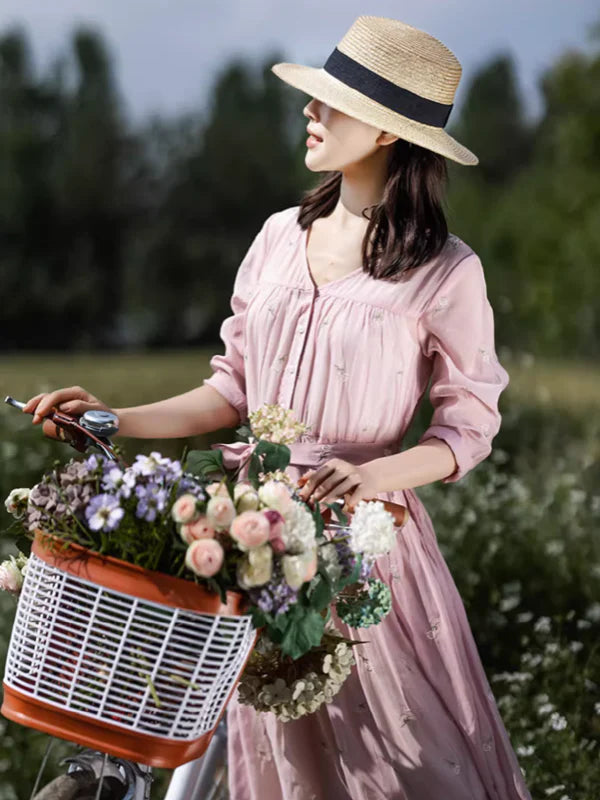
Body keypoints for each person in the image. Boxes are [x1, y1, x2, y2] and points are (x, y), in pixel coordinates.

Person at [23, 15, 532, 800]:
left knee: (402, 764)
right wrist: (109, 419)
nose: (311, 112)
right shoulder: (274, 238)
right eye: (316, 98)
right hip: (249, 532)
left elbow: (467, 428)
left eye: (333, 102)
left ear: (389, 133)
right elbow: (230, 391)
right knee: (277, 765)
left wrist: (368, 478)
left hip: (365, 548)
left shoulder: (445, 270)